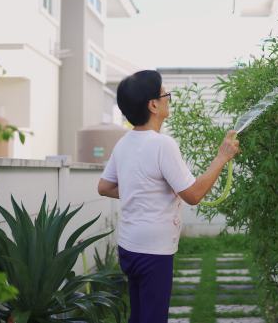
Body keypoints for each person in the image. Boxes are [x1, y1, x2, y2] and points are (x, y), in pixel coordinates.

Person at [97, 70, 240, 323]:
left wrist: (142, 190)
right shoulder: (162, 145)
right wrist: (222, 157)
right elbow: (194, 195)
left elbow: (104, 187)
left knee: (139, 315)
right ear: (153, 105)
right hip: (153, 252)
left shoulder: (124, 143)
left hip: (129, 247)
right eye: (165, 94)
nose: (168, 99)